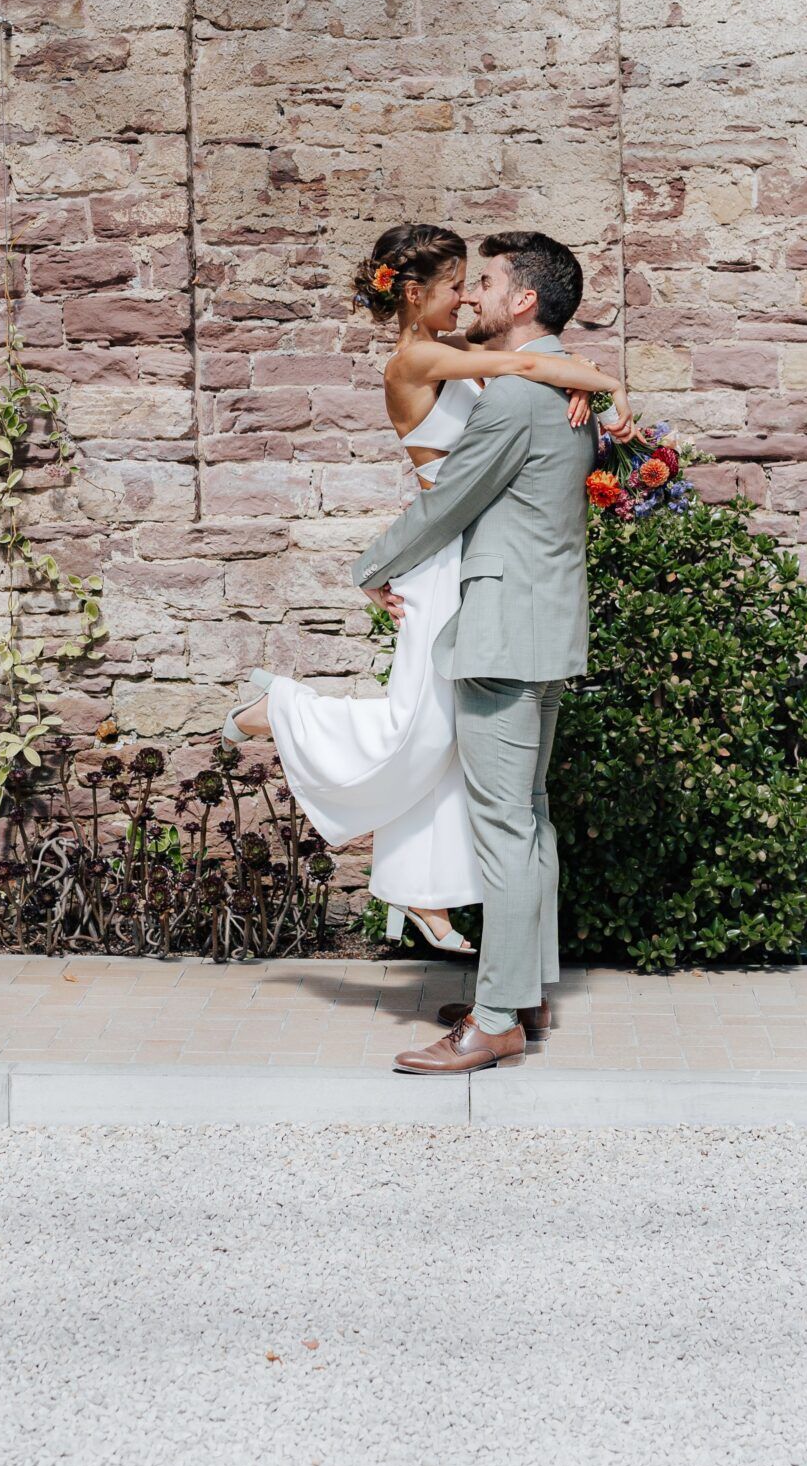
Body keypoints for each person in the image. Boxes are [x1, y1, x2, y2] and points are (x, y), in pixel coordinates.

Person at [224, 223, 625, 958]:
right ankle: (277, 711)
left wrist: (581, 388)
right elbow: (533, 373)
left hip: (472, 553)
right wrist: (602, 385)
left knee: (443, 736)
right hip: (440, 557)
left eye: (476, 284)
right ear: (414, 294)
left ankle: (421, 892)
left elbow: (529, 367)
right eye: (452, 287)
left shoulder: (469, 355)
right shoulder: (414, 358)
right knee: (426, 728)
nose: (465, 296)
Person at [350, 228, 607, 1076]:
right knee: (527, 819)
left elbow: (447, 503)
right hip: (547, 622)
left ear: (523, 300)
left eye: (486, 282)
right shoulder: (562, 390)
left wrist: (367, 570)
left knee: (505, 825)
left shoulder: (516, 396)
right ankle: (524, 990)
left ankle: (495, 1018)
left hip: (499, 627)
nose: (473, 296)